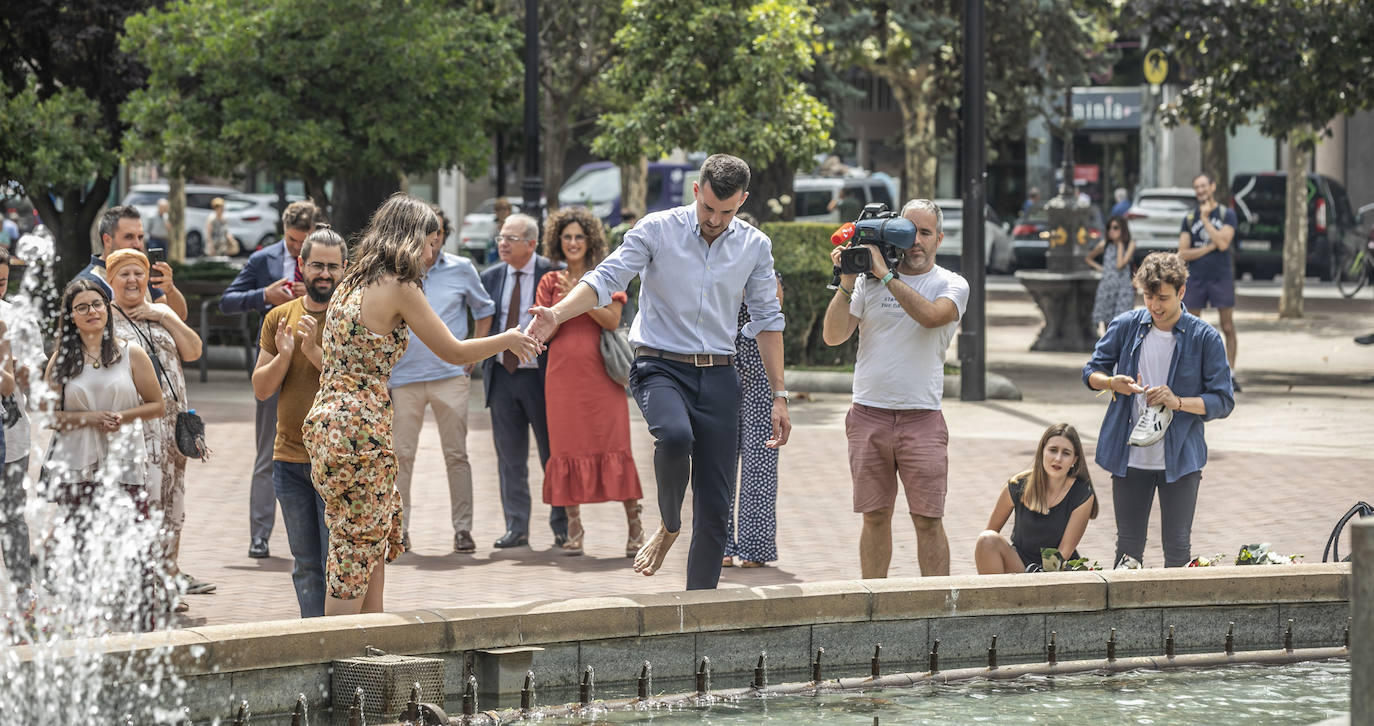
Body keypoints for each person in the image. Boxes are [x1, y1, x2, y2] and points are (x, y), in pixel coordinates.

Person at [527, 153, 790, 590]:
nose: (715, 219)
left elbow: (767, 320)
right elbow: (606, 276)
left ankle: (698, 610)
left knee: (715, 506)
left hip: (722, 375)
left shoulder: (755, 245)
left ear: (742, 200)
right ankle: (669, 524)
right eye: (708, 208)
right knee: (674, 435)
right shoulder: (656, 229)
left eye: (727, 211)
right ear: (695, 192)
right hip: (659, 365)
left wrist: (779, 394)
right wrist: (556, 315)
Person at [302, 193, 540, 616]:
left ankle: (368, 656)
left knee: (366, 542)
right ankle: (335, 660)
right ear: (411, 236)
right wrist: (507, 338)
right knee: (356, 551)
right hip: (360, 427)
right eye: (430, 240)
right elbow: (454, 351)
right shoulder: (400, 285)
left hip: (328, 422)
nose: (433, 250)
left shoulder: (353, 279)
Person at [821, 199, 969, 579]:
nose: (915, 241)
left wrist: (886, 275)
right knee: (874, 516)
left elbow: (931, 317)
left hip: (922, 418)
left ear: (940, 237)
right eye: (908, 231)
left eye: (924, 233)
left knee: (928, 520)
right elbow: (834, 335)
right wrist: (847, 282)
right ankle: (875, 607)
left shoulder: (951, 284)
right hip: (868, 413)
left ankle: (936, 610)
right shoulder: (868, 281)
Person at [1083, 252, 1234, 568]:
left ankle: (1175, 619)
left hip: (1180, 459)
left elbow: (1223, 401)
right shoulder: (1126, 325)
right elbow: (1090, 373)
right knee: (1127, 551)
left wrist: (1176, 401)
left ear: (1181, 292)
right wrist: (1112, 382)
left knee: (1178, 549)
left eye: (1162, 298)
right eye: (1148, 296)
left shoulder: (1204, 337)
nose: (1154, 306)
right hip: (1129, 456)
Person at [42, 280, 165, 623]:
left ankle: (143, 625)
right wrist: (88, 418)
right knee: (81, 548)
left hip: (123, 462)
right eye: (82, 307)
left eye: (97, 304)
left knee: (135, 547)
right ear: (70, 317)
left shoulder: (130, 353)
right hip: (78, 465)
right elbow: (49, 416)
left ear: (107, 310)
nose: (92, 312)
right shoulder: (62, 360)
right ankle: (87, 624)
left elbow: (157, 405)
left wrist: (121, 417)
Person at [534, 207, 643, 557]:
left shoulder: (605, 276)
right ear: (558, 241)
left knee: (615, 445)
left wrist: (579, 298)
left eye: (580, 237)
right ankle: (574, 529)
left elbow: (612, 321)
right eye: (567, 237)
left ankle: (635, 527)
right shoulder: (550, 281)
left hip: (601, 378)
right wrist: (563, 300)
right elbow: (542, 328)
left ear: (590, 240)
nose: (573, 243)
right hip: (562, 377)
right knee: (565, 448)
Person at [252, 223, 347, 617]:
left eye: (333, 267)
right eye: (317, 266)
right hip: (289, 460)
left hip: (336, 463)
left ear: (345, 269)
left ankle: (339, 640)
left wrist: (311, 350)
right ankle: (314, 640)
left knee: (335, 562)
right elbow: (261, 388)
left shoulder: (351, 317)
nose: (324, 274)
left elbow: (355, 385)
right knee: (305, 564)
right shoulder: (279, 317)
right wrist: (285, 355)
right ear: (301, 266)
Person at [389, 207, 494, 554]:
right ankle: (398, 529)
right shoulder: (398, 272)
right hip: (403, 378)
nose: (431, 245)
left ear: (444, 236)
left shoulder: (462, 269)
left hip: (450, 376)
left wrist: (471, 359)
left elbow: (484, 310)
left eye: (437, 237)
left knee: (456, 455)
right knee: (401, 456)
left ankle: (463, 529)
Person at [221, 200, 321, 559]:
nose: (297, 248)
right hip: (274, 360)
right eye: (292, 242)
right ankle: (259, 535)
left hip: (314, 365)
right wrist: (265, 295)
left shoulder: (326, 265)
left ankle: (318, 533)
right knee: (267, 451)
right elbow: (227, 300)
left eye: (302, 241)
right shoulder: (263, 260)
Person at [106, 249, 208, 604]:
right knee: (142, 506)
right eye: (124, 274)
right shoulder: (107, 321)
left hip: (172, 433)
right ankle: (137, 589)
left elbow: (193, 350)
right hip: (136, 430)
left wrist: (165, 314)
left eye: (139, 273)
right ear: (111, 280)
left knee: (172, 507)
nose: (132, 280)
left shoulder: (160, 314)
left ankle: (166, 582)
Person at [480, 213, 569, 550]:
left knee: (553, 455)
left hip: (543, 378)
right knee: (510, 458)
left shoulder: (554, 273)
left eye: (511, 239)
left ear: (531, 244)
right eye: (501, 237)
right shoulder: (490, 276)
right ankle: (516, 527)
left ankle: (562, 524)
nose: (502, 243)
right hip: (502, 375)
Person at [723, 212, 782, 569]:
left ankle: (756, 548)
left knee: (761, 465)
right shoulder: (707, 271)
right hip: (720, 375)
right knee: (719, 465)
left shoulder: (766, 271)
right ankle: (723, 545)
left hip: (760, 380)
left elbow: (772, 305)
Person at [974, 423, 1098, 574]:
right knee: (986, 540)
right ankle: (994, 596)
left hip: (1058, 571)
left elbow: (1063, 552)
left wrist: (1038, 582)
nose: (1058, 458)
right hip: (1020, 565)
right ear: (1042, 451)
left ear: (1074, 460)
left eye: (1066, 453)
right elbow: (990, 537)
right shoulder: (1017, 485)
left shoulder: (1081, 494)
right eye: (1053, 450)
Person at [1177, 173, 1240, 391]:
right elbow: (1182, 253)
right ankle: (1196, 374)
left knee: (1228, 326)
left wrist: (1205, 221)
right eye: (1197, 187)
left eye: (1204, 186)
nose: (1201, 190)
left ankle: (1230, 374)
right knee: (1193, 328)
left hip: (1221, 276)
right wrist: (1207, 248)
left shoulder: (1226, 214)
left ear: (1212, 187)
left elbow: (1223, 244)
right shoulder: (1189, 218)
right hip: (1196, 278)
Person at [77, 205, 188, 321]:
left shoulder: (144, 272)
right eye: (129, 237)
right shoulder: (88, 282)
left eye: (140, 237)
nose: (137, 244)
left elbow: (179, 317)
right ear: (107, 240)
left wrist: (170, 289)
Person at [0, 253, 27, 600]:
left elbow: (10, 384)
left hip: (10, 435)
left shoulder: (11, 319)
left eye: (2, 283)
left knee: (13, 517)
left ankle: (23, 595)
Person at [1088, 215, 1138, 334]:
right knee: (1107, 320)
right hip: (1107, 286)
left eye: (1115, 228)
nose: (1112, 231)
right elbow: (1088, 258)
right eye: (1109, 228)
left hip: (1123, 288)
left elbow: (1120, 264)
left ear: (1123, 229)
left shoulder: (1129, 244)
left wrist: (1120, 245)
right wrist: (1102, 269)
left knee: (1123, 319)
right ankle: (1110, 348)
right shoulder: (1105, 244)